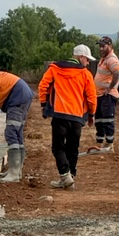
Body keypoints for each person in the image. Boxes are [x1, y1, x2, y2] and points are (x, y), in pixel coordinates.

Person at [38, 44, 97, 189]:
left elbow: (43, 86)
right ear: (81, 57)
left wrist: (43, 105)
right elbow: (91, 97)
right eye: (87, 60)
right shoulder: (85, 74)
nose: (88, 63)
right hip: (77, 117)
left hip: (59, 115)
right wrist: (92, 114)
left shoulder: (55, 69)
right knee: (73, 148)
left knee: (58, 147)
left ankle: (65, 175)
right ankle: (70, 177)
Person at [93, 36, 119, 151]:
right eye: (100, 46)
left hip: (107, 96)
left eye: (103, 46)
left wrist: (110, 88)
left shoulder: (111, 59)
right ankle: (99, 142)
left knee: (107, 120)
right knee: (99, 119)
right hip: (99, 95)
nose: (101, 48)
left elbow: (117, 73)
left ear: (109, 46)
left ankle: (109, 144)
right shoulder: (104, 58)